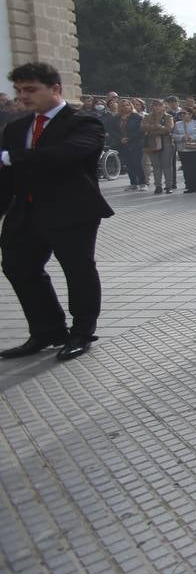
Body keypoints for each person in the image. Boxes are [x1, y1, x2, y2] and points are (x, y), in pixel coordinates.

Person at [0, 63, 113, 362]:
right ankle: (47, 330)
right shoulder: (15, 128)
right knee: (17, 266)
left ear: (55, 89)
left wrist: (12, 157)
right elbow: (7, 177)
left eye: (31, 90)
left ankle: (82, 332)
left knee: (78, 270)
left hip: (71, 211)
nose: (23, 96)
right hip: (25, 212)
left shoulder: (83, 123)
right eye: (20, 90)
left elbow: (65, 155)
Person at [108, 98, 146, 190]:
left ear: (130, 106)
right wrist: (120, 138)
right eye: (123, 105)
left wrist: (129, 138)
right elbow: (111, 130)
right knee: (129, 164)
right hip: (122, 144)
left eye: (127, 105)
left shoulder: (137, 117)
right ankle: (133, 183)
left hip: (135, 143)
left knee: (137, 163)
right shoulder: (116, 118)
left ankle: (143, 183)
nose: (125, 107)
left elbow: (140, 130)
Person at [142, 98, 176, 195]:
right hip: (152, 142)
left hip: (166, 142)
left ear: (163, 106)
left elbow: (168, 129)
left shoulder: (168, 117)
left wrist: (153, 128)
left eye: (159, 105)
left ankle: (168, 186)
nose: (157, 107)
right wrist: (158, 126)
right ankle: (158, 186)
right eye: (155, 105)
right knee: (156, 165)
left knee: (166, 165)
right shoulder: (147, 117)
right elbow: (143, 127)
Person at [173, 108, 196, 194]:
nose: (182, 115)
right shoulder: (177, 124)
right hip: (183, 149)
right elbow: (174, 135)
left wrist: (191, 137)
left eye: (184, 113)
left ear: (191, 114)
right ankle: (190, 186)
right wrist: (182, 137)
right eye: (181, 114)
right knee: (187, 169)